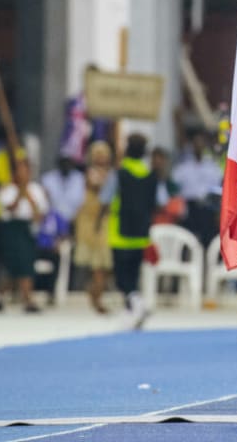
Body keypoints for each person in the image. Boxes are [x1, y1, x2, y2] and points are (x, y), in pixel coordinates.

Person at [100, 133, 165, 329]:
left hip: (120, 233)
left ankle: (137, 304)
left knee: (122, 278)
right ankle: (132, 313)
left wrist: (98, 222)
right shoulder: (151, 175)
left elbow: (105, 199)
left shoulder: (119, 174)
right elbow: (161, 201)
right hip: (141, 234)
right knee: (134, 274)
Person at [0, 155, 49, 313]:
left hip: (27, 229)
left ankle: (27, 299)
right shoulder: (7, 190)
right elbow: (8, 209)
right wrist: (20, 193)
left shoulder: (36, 190)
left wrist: (29, 197)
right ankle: (1, 293)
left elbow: (39, 215)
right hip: (11, 229)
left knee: (26, 264)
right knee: (12, 266)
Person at [39, 155, 86, 304]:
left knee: (71, 256)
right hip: (50, 222)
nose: (66, 165)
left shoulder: (79, 179)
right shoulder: (48, 179)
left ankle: (68, 289)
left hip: (73, 222)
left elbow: (82, 202)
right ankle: (46, 289)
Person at [73, 141, 113, 313]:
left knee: (106, 263)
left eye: (104, 153)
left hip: (106, 220)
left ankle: (95, 292)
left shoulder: (112, 174)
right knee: (97, 263)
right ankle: (97, 299)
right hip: (91, 220)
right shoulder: (90, 174)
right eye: (97, 154)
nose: (101, 157)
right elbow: (100, 189)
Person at [172, 129, 223, 248]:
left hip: (208, 207)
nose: (198, 146)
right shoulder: (184, 167)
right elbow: (175, 186)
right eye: (196, 143)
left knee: (209, 240)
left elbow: (218, 187)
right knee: (188, 240)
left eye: (201, 143)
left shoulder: (212, 166)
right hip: (190, 208)